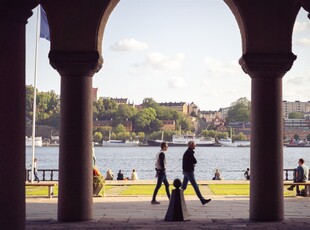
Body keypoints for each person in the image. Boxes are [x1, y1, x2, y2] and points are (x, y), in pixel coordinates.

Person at [181, 141, 211, 205]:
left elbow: (187, 162)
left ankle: (176, 198)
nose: (195, 146)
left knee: (183, 187)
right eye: (194, 145)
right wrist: (192, 164)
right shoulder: (190, 152)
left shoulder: (187, 152)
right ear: (191, 145)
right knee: (195, 186)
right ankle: (202, 200)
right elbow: (195, 161)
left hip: (185, 171)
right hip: (189, 172)